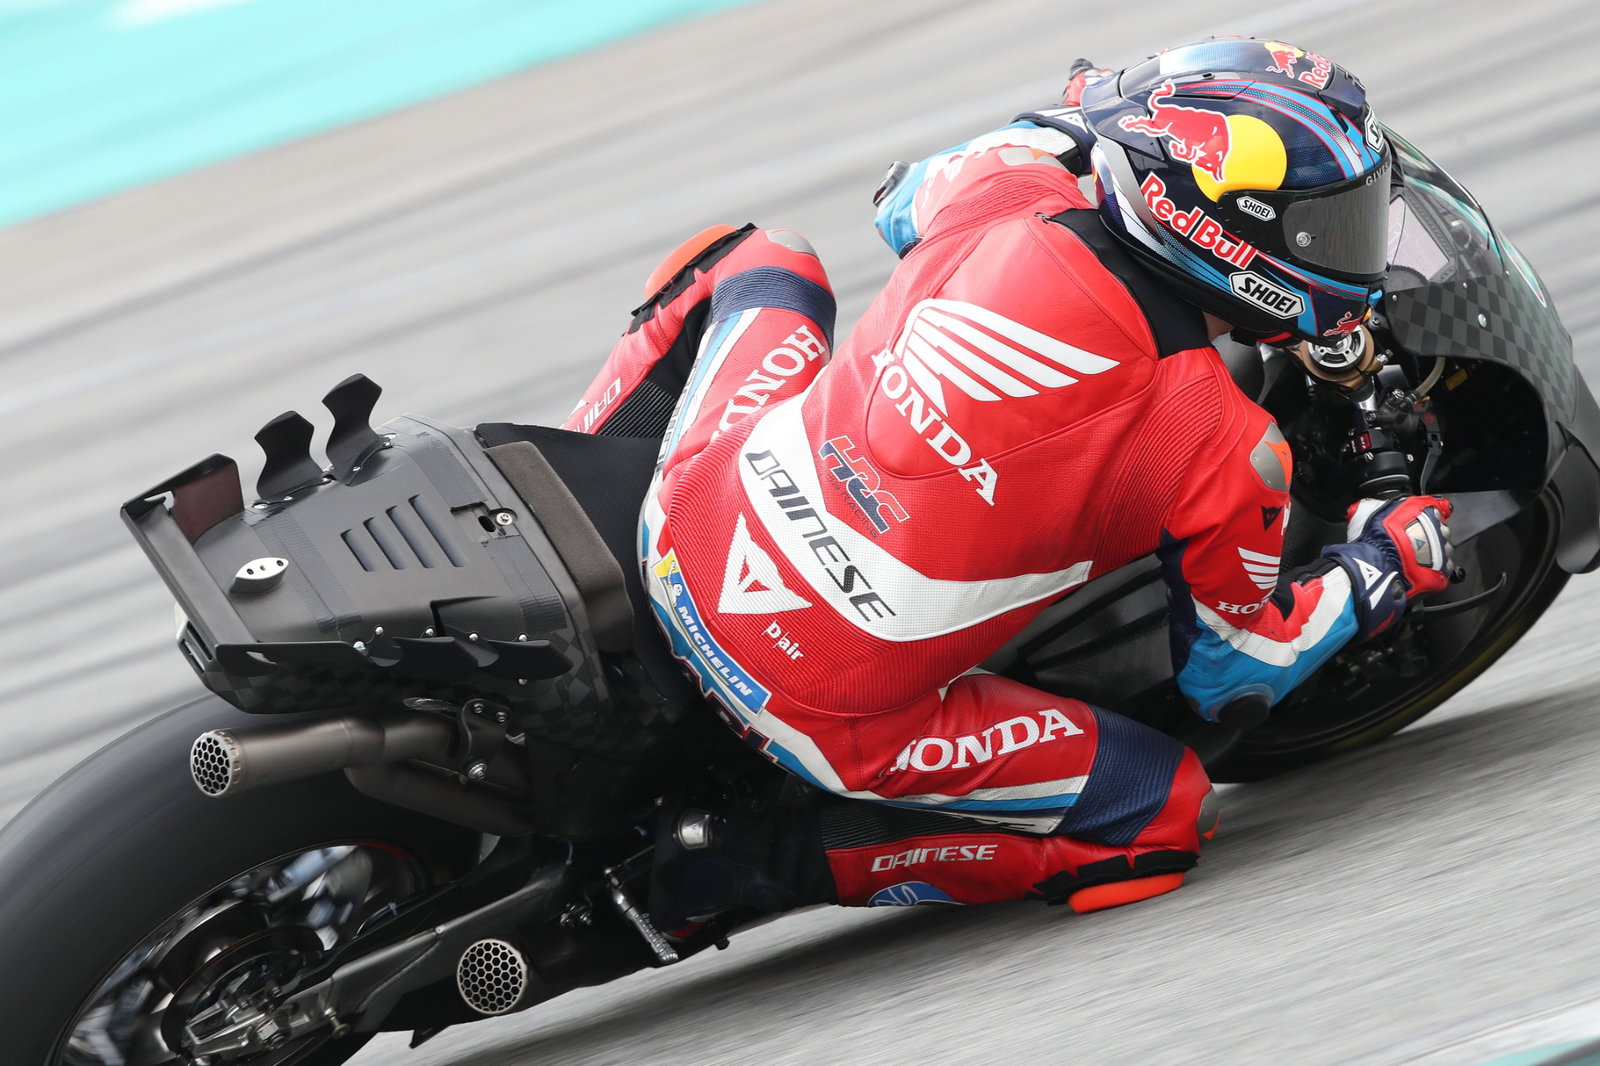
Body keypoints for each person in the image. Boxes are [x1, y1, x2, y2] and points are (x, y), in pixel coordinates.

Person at [561, 37, 1453, 925]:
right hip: (814, 700)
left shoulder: (1008, 189)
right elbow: (1237, 672)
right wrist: (1382, 566)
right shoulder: (1221, 442)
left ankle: (568, 480)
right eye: (1328, 227)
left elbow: (903, 201)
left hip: (683, 523)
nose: (1357, 245)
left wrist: (1070, 129)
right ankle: (756, 861)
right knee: (1162, 816)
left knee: (758, 258)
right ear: (1236, 236)